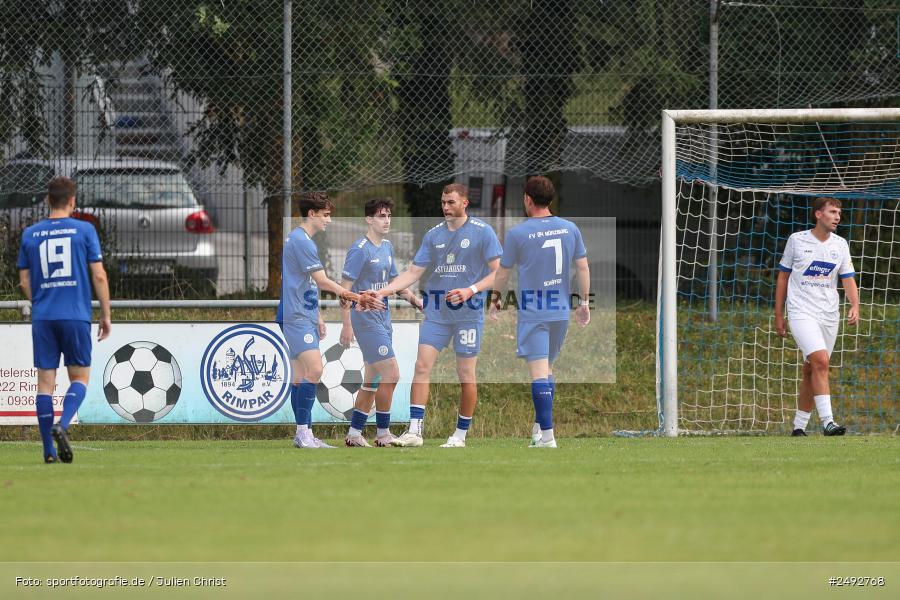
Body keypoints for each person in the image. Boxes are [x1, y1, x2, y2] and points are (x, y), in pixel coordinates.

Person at [366, 183, 502, 448]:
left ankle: (460, 435)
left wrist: (470, 290)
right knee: (421, 366)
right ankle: (415, 431)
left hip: (468, 314)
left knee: (465, 374)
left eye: (451, 202)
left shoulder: (483, 232)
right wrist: (384, 292)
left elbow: (499, 272)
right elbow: (413, 273)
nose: (446, 207)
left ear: (465, 203)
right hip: (437, 312)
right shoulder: (433, 235)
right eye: (443, 202)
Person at [489, 176, 590, 448]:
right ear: (551, 199)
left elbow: (503, 272)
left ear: (527, 199)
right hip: (560, 312)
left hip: (535, 312)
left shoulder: (518, 233)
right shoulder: (569, 228)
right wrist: (583, 303)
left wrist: (495, 298)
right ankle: (538, 430)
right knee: (547, 369)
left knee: (538, 374)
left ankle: (548, 436)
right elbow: (582, 267)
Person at [17, 176, 112, 463]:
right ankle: (64, 423)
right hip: (75, 316)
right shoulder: (84, 230)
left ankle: (48, 451)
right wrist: (106, 315)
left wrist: (42, 303)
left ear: (48, 200)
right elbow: (99, 275)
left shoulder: (30, 234)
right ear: (72, 201)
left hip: (44, 317)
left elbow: (24, 281)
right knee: (80, 378)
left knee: (45, 384)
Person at [276, 192, 376, 449]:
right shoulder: (302, 241)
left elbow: (304, 282)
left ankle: (303, 434)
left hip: (301, 313)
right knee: (315, 369)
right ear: (312, 214)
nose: (329, 221)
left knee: (299, 376)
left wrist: (317, 315)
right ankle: (303, 433)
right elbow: (321, 281)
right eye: (326, 215)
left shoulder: (300, 239)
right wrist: (355, 297)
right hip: (295, 315)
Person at [339, 198, 422, 447]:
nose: (386, 221)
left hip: (383, 320)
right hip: (365, 321)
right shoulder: (359, 249)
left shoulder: (386, 247)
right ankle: (383, 433)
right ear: (368, 219)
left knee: (372, 380)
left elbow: (395, 283)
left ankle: (354, 434)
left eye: (388, 216)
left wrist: (416, 300)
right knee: (392, 374)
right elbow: (344, 290)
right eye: (380, 216)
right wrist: (347, 324)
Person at [775, 196, 859, 437]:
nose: (837, 217)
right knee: (821, 361)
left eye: (839, 214)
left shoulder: (840, 244)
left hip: (829, 315)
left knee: (812, 369)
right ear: (818, 214)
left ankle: (799, 426)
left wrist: (855, 305)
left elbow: (848, 279)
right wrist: (779, 315)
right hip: (801, 312)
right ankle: (828, 422)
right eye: (832, 212)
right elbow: (783, 278)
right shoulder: (797, 240)